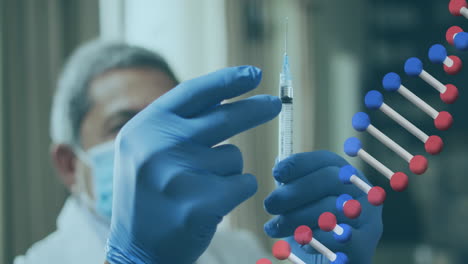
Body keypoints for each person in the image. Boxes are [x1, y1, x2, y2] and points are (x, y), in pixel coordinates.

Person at [14, 40, 382, 264]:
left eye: (163, 129)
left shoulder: (238, 252)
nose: (151, 153)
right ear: (67, 164)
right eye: (124, 128)